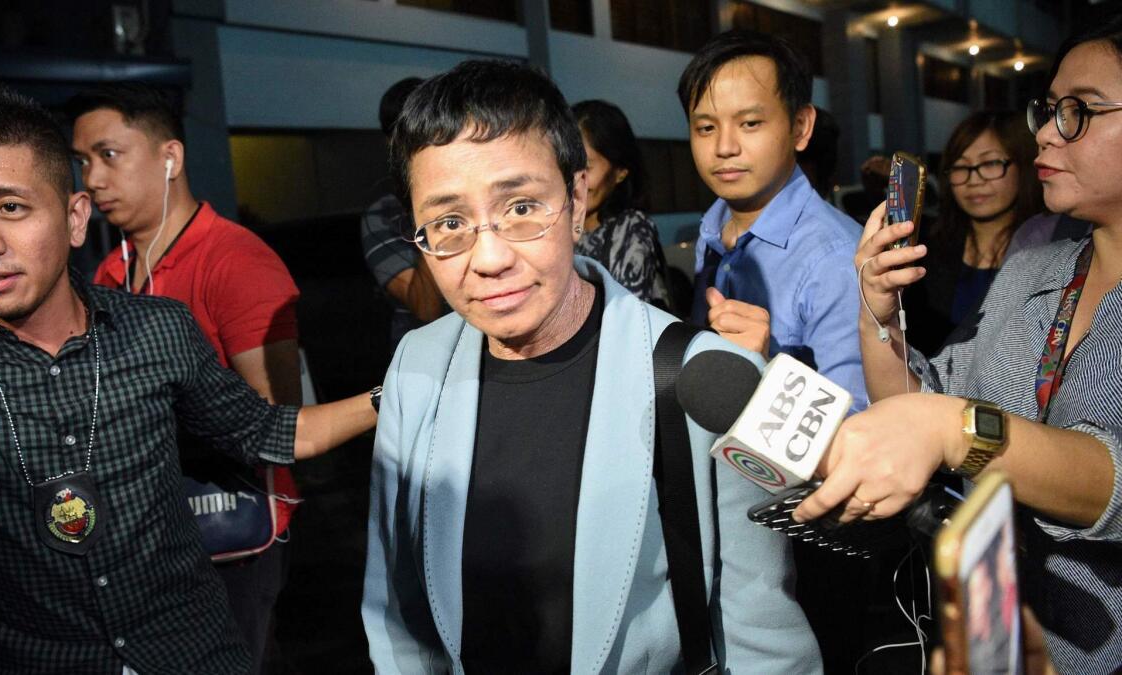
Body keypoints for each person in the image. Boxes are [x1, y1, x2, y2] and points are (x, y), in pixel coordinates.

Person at [360, 60, 820, 674]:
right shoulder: (415, 368)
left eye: (522, 207)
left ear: (577, 198)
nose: (489, 256)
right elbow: (395, 606)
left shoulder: (707, 378)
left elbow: (763, 638)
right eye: (449, 223)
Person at [0, 79, 375, 673]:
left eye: (10, 207)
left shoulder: (159, 328)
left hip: (193, 650)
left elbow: (269, 428)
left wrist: (402, 389)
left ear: (74, 216)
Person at [794, 17, 1122, 674]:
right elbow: (921, 397)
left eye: (1079, 112)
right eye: (1049, 110)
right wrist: (877, 317)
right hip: (985, 636)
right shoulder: (1036, 272)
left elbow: (1110, 474)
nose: (1047, 133)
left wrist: (951, 428)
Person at [68, 83, 313, 674]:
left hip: (233, 527)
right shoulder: (109, 271)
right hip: (153, 537)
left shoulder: (235, 260)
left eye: (109, 155)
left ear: (170, 157)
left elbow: (275, 413)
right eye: (82, 163)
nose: (93, 181)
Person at [681, 30, 869, 412]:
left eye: (750, 123)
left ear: (800, 127)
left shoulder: (838, 259)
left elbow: (858, 421)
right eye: (706, 127)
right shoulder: (714, 229)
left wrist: (768, 372)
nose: (724, 147)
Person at [904, 111, 1044, 356]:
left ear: (1022, 165)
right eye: (960, 167)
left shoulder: (1050, 251)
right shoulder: (924, 251)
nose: (974, 179)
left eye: (990, 163)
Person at [360, 77, 445, 353]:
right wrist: (429, 211)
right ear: (392, 144)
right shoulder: (382, 217)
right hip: (428, 360)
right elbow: (425, 308)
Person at [570, 99, 673, 309]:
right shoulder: (556, 226)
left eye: (587, 167)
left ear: (620, 172)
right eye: (567, 164)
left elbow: (625, 318)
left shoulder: (632, 228)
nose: (574, 180)